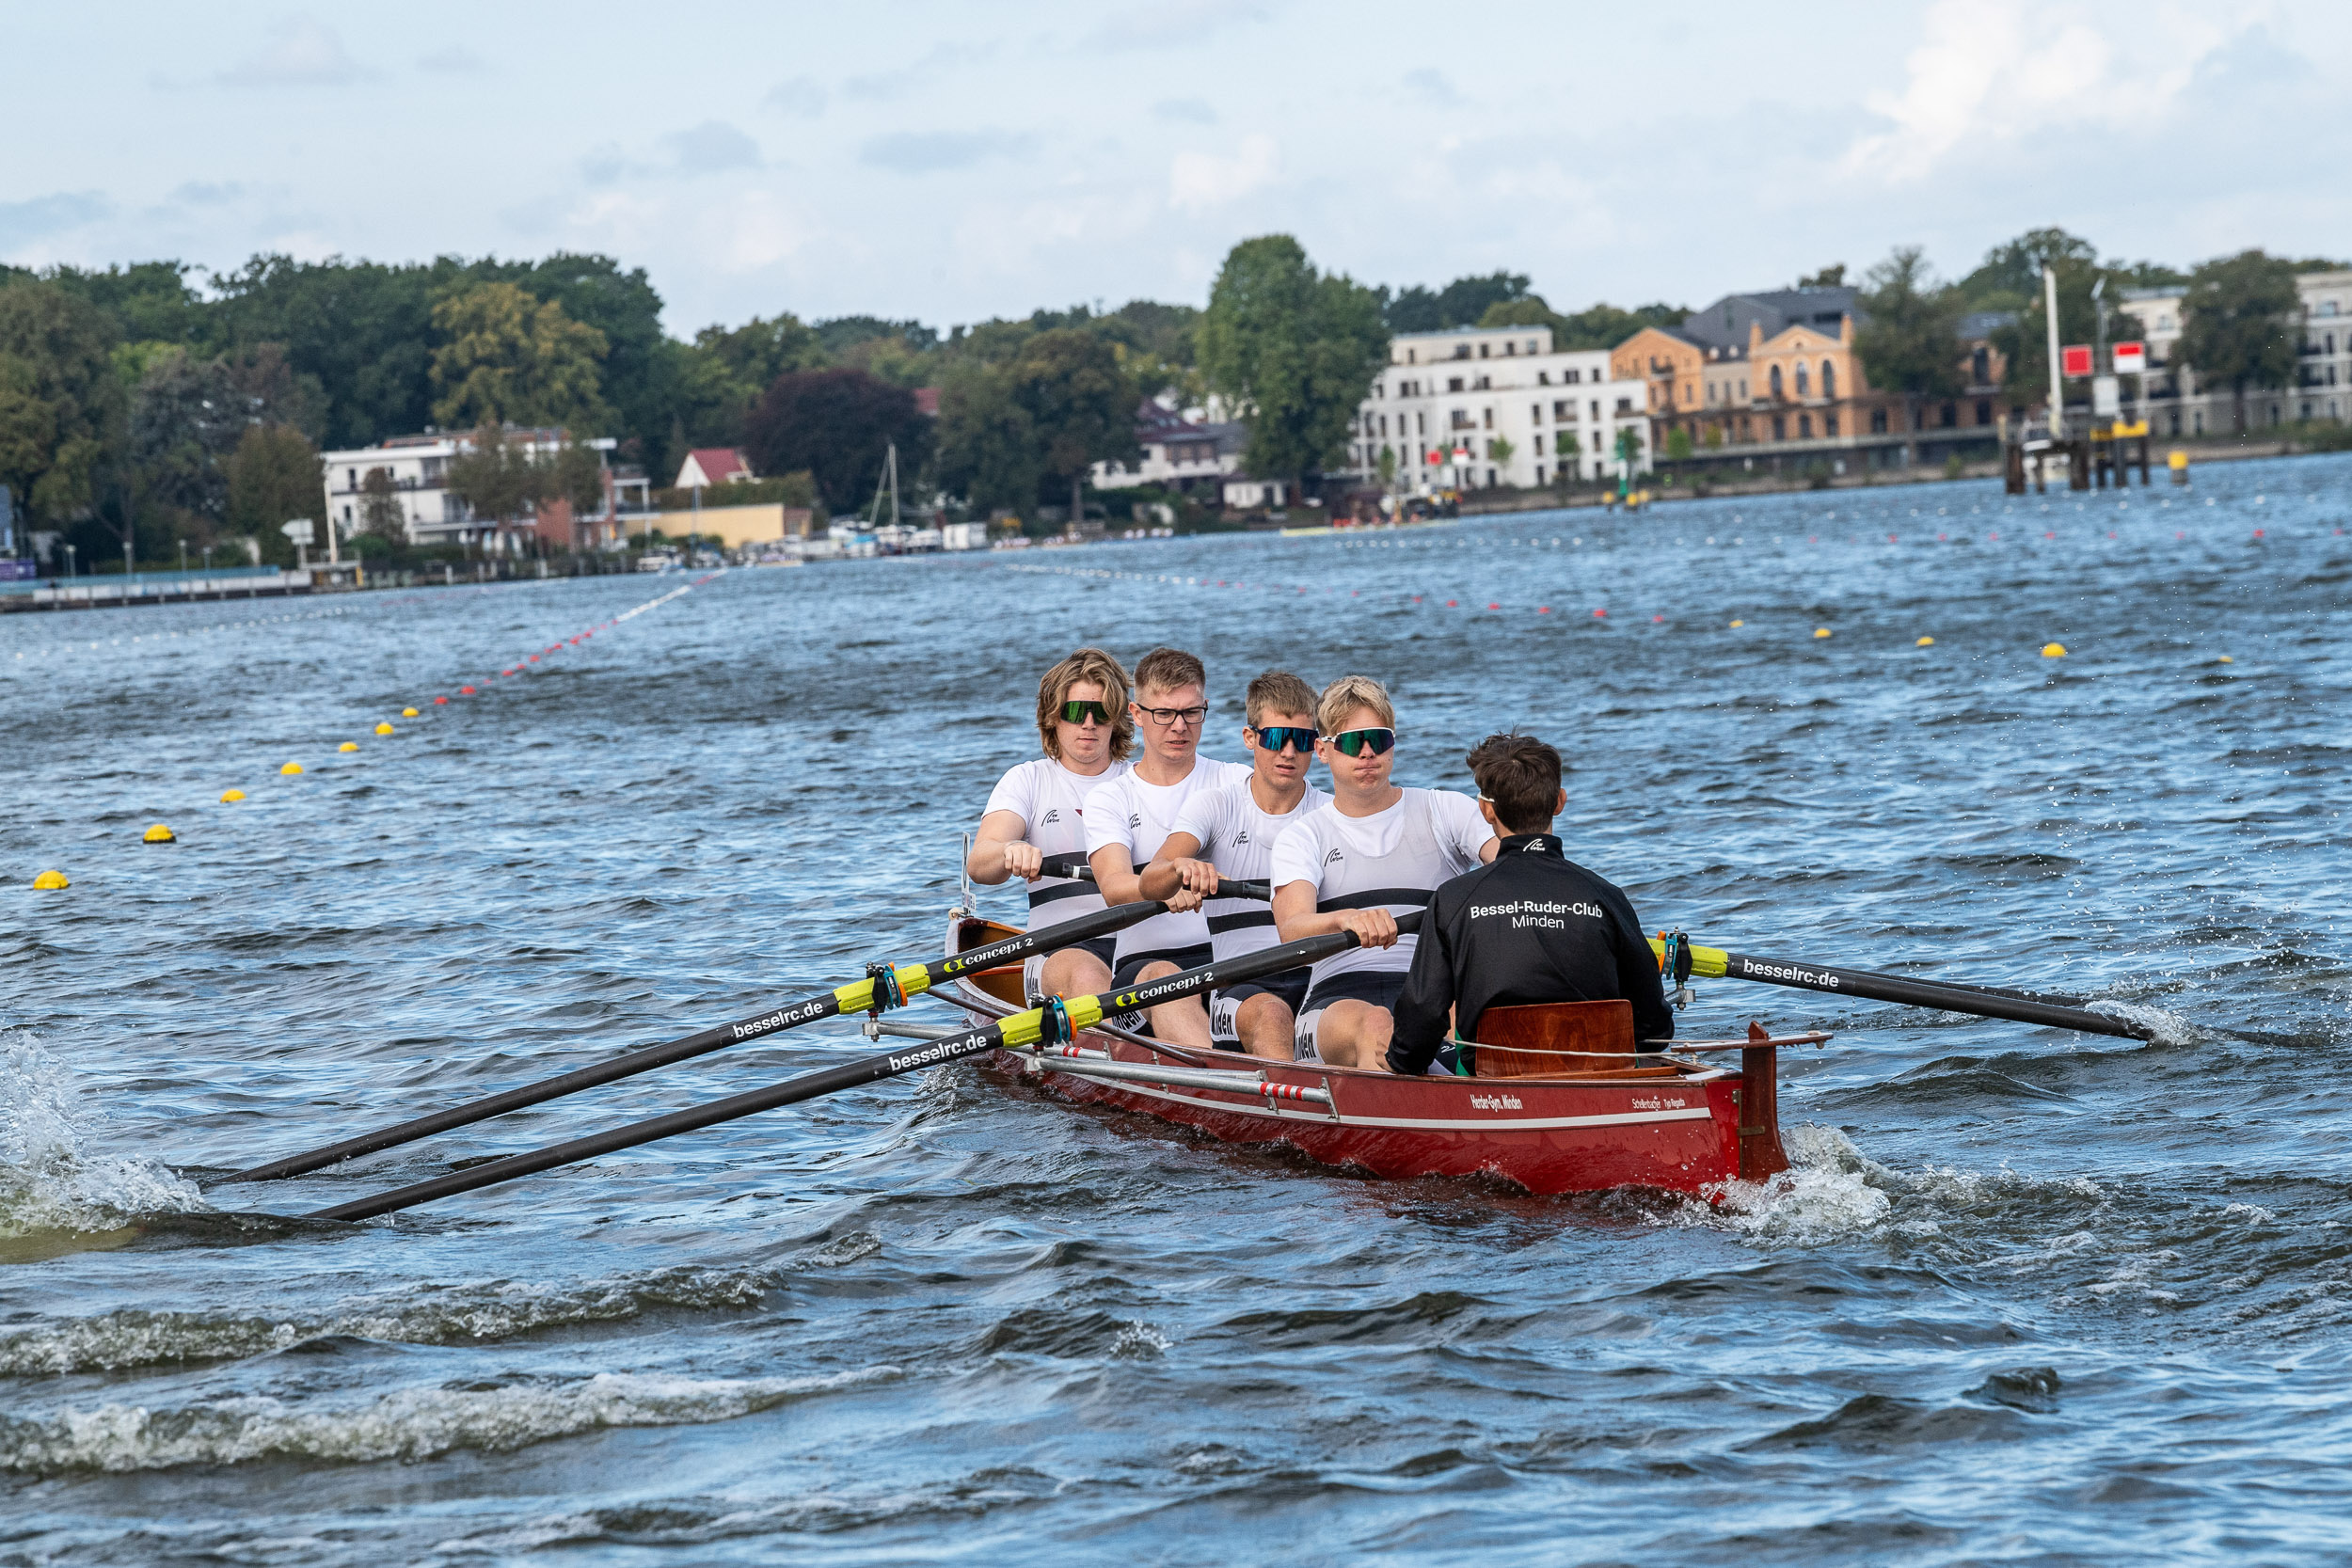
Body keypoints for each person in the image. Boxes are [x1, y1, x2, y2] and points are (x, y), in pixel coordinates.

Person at [1388, 733, 1674, 1076]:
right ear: (1559, 802)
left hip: (1496, 1084)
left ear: (1486, 810)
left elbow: (1422, 1015)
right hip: (1601, 1078)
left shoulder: (1452, 900)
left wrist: (1402, 1064)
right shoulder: (1606, 895)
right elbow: (1653, 1021)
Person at [1270, 675, 1498, 1069]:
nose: (1367, 754)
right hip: (1334, 1002)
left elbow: (1510, 868)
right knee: (1378, 1024)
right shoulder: (1303, 835)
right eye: (1353, 743)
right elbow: (1291, 928)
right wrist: (1347, 919)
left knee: (1489, 1009)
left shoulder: (1445, 810)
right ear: (1324, 750)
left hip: (1432, 989)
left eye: (1379, 739)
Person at [1139, 669, 1328, 1059]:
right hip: (1240, 987)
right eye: (1276, 738)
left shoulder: (1331, 814)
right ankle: (1290, 1116)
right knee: (1272, 1015)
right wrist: (1181, 870)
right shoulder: (1216, 807)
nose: (1289, 752)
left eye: (1303, 740)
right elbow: (1150, 879)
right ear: (1250, 739)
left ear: (1318, 746)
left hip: (1320, 984)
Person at [1085, 646, 1254, 1042]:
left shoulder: (1236, 781)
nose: (1180, 726)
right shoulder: (1111, 797)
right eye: (1164, 714)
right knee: (1165, 979)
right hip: (1144, 968)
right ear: (1137, 714)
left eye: (1191, 713)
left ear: (1205, 708)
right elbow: (1114, 888)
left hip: (1230, 959)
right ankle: (1218, 1090)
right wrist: (1164, 884)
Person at [967, 647, 1134, 1007]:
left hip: (1138, 944)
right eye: (1076, 712)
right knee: (1090, 977)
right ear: (1053, 718)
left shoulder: (1139, 783)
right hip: (1058, 949)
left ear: (1117, 720)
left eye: (1101, 712)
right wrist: (1009, 851)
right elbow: (980, 863)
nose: (1089, 723)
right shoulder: (1027, 781)